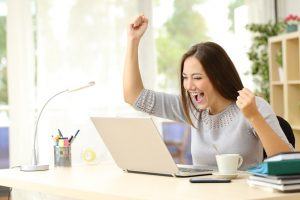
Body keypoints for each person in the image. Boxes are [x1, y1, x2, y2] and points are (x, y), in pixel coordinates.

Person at [123, 14, 294, 169]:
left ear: (219, 77)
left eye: (197, 78)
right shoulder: (192, 109)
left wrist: (254, 117)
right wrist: (133, 40)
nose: (189, 86)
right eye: (185, 77)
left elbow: (289, 163)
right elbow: (134, 96)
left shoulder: (253, 107)